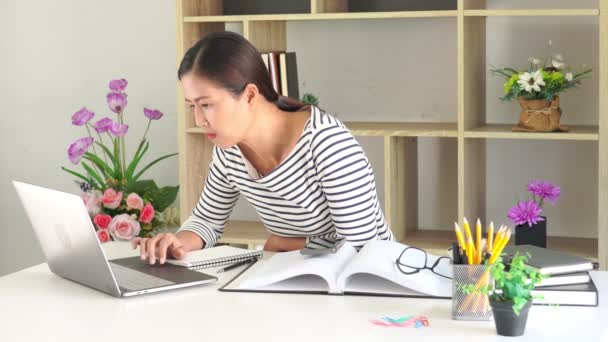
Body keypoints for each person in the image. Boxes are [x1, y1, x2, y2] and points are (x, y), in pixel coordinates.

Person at [133, 31, 394, 264]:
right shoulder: (229, 150)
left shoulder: (327, 143)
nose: (199, 120)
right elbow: (207, 221)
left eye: (207, 104)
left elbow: (361, 247)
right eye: (193, 106)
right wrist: (176, 243)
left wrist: (285, 244)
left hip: (365, 287)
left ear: (249, 95)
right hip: (295, 277)